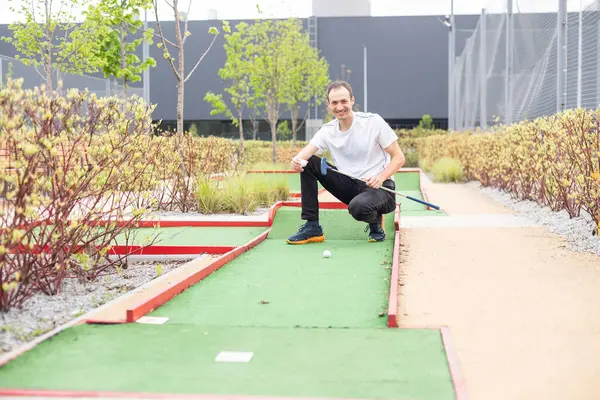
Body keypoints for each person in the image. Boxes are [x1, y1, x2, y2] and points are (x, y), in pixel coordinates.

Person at [286, 80, 406, 244]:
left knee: (358, 208)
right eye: (334, 102)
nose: (340, 107)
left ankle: (375, 220)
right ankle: (312, 226)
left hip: (380, 188)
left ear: (352, 100)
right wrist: (297, 162)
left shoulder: (373, 122)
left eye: (344, 101)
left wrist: (381, 177)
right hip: (349, 185)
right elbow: (303, 155)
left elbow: (399, 158)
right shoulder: (328, 130)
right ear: (329, 105)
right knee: (308, 163)